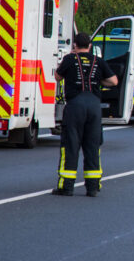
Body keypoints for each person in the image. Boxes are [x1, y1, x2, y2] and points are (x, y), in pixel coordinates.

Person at [53, 33, 118, 197]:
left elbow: (57, 76)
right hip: (94, 106)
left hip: (75, 106)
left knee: (70, 146)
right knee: (92, 147)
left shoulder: (69, 59)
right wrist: (98, 81)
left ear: (75, 45)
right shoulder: (99, 61)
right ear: (89, 46)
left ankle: (67, 187)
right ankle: (92, 187)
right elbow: (114, 81)